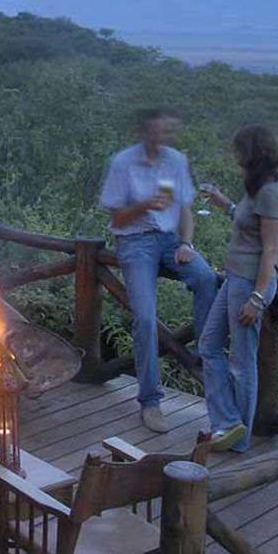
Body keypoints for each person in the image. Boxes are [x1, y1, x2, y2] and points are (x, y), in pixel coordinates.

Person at [99, 109, 217, 433]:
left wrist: (188, 243)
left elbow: (185, 209)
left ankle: (203, 357)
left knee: (207, 279)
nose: (162, 139)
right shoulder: (123, 163)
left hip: (169, 240)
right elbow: (117, 220)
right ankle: (150, 401)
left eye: (166, 134)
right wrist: (144, 205)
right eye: (156, 133)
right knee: (146, 318)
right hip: (134, 242)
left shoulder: (175, 160)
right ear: (143, 132)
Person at [199, 125, 278, 452]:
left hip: (250, 283)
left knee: (241, 361)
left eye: (239, 151)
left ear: (252, 153)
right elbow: (246, 222)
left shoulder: (271, 192)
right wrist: (223, 202)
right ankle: (227, 422)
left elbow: (270, 250)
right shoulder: (256, 188)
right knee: (208, 345)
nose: (236, 157)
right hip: (235, 279)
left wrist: (257, 296)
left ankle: (239, 438)